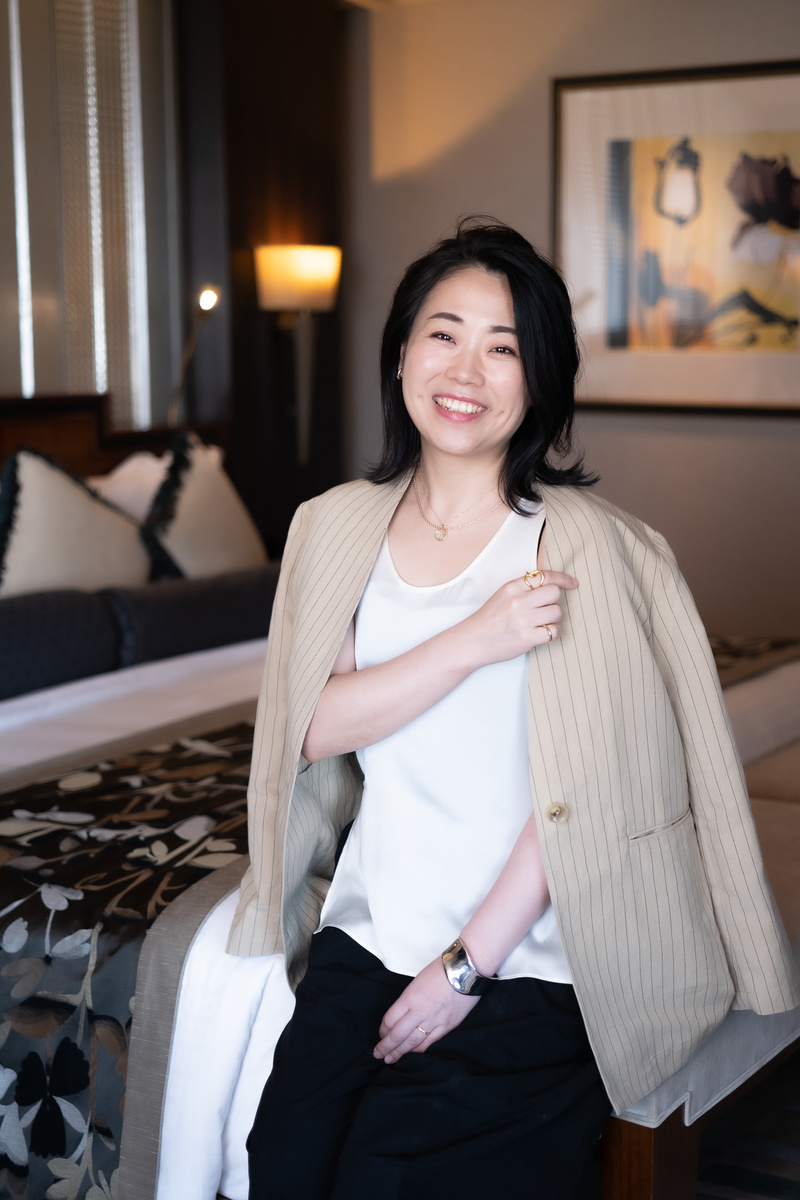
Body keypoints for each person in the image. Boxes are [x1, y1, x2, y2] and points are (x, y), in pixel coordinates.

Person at [229, 219, 799, 1199]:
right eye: (443, 334)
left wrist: (464, 969)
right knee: (280, 1165)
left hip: (533, 953)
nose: (466, 370)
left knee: (393, 1179)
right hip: (372, 929)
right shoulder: (334, 528)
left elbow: (590, 792)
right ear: (400, 352)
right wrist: (474, 638)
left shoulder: (586, 548)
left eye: (503, 348)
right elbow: (312, 728)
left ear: (538, 382)